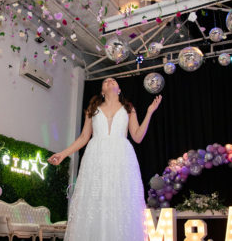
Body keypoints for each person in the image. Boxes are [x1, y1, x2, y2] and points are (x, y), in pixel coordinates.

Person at [48, 77, 162, 241]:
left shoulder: (128, 108)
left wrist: (150, 112)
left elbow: (137, 136)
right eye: (106, 81)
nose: (110, 81)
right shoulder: (92, 109)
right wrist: (63, 154)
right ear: (102, 91)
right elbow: (83, 137)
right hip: (96, 158)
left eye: (114, 81)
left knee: (119, 200)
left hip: (121, 159)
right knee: (95, 200)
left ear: (119, 89)